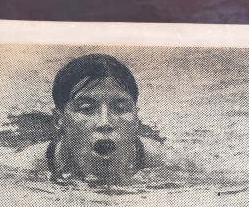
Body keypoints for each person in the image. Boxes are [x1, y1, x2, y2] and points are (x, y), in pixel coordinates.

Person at [41, 53, 163, 185]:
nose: (105, 122)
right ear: (59, 120)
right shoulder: (27, 166)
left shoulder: (162, 162)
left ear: (136, 119)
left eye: (120, 108)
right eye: (86, 108)